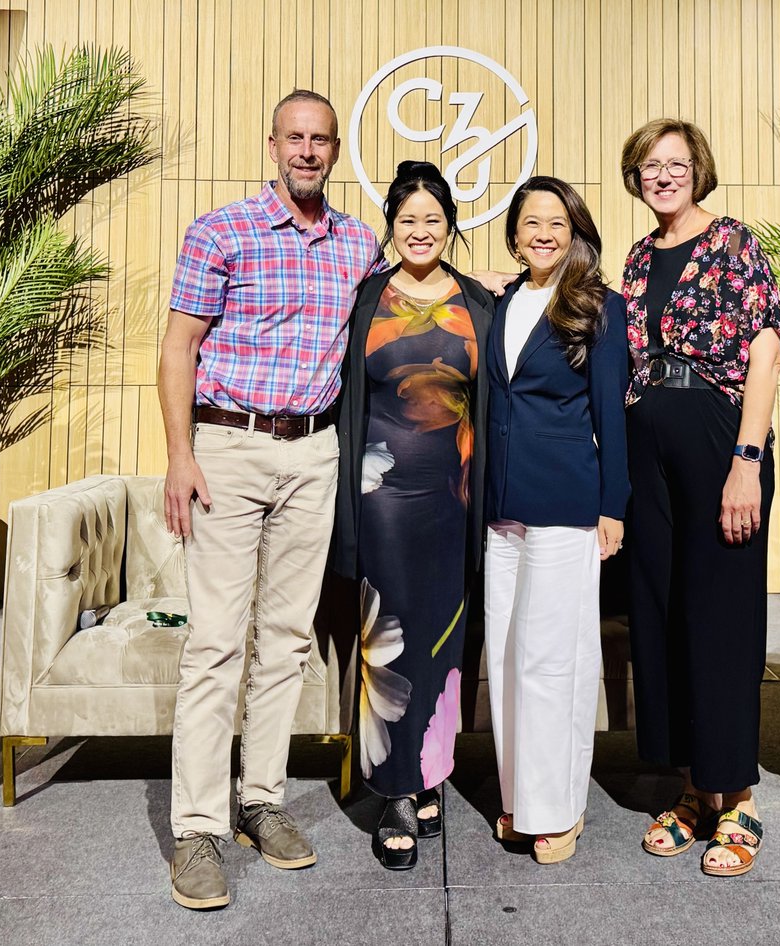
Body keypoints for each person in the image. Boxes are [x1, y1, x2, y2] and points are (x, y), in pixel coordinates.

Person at [158, 89, 386, 910]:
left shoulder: (359, 242)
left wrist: (509, 278)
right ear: (272, 144)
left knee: (285, 640)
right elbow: (179, 347)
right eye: (294, 137)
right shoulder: (221, 231)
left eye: (321, 139)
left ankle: (261, 802)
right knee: (217, 642)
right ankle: (197, 830)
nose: (307, 151)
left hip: (313, 451)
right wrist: (181, 454)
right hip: (226, 447)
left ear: (334, 150)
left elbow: (422, 280)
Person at [618, 119, 780, 876]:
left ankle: (739, 796)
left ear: (699, 171)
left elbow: (766, 345)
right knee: (662, 612)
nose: (663, 176)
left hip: (721, 443)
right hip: (646, 447)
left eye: (676, 164)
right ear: (636, 176)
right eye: (650, 165)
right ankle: (693, 792)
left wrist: (746, 459)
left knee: (721, 618)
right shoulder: (637, 256)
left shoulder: (734, 242)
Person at [332, 161, 495, 870]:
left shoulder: (479, 301)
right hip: (384, 498)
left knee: (446, 643)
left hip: (456, 501)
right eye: (407, 222)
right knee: (389, 639)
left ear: (450, 226)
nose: (420, 231)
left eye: (432, 220)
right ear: (390, 229)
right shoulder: (366, 296)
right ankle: (394, 792)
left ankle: (430, 773)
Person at [483, 176, 629, 865]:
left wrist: (613, 505)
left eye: (556, 224)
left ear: (575, 234)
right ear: (514, 234)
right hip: (501, 506)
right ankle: (519, 798)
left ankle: (558, 809)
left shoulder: (599, 307)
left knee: (554, 661)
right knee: (507, 657)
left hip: (567, 501)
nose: (542, 234)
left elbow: (611, 415)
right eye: (530, 223)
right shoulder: (502, 302)